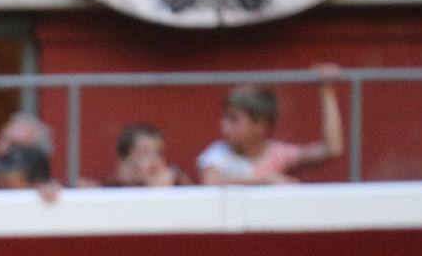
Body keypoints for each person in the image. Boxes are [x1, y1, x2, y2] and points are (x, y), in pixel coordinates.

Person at [197, 67, 345, 185]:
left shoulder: (277, 154)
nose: (224, 126)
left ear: (260, 126)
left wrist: (327, 91)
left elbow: (331, 149)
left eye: (234, 119)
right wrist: (264, 180)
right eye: (225, 117)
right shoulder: (219, 153)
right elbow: (211, 181)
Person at [103, 122, 191, 187]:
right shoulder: (115, 189)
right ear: (125, 161)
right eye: (144, 153)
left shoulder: (174, 181)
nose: (154, 159)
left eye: (159, 153)